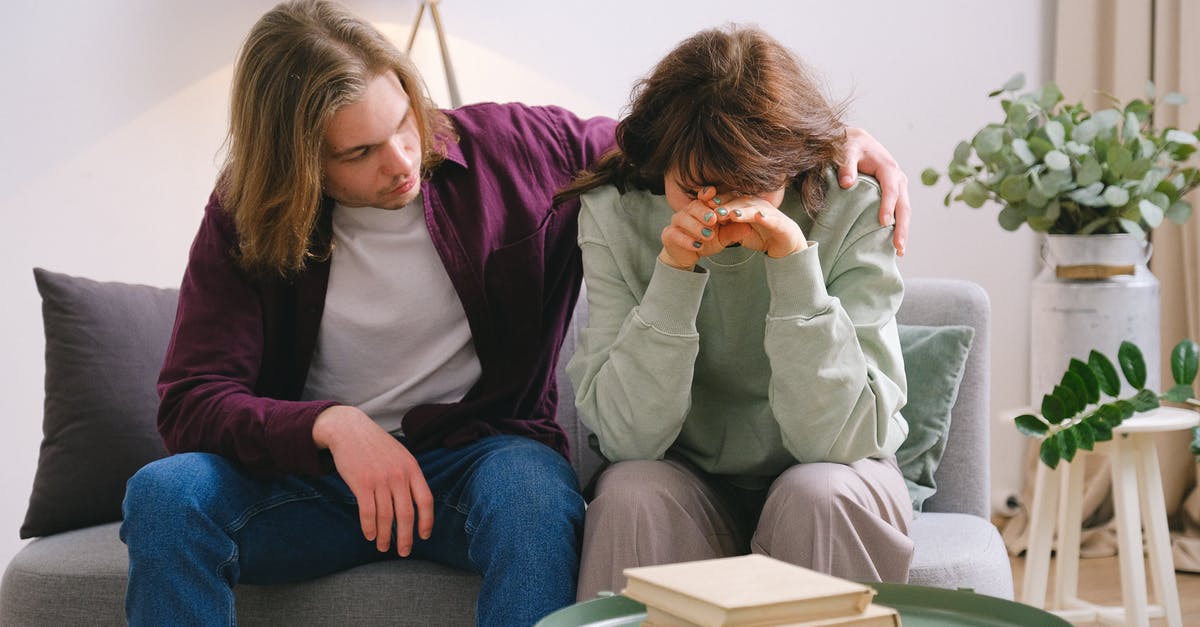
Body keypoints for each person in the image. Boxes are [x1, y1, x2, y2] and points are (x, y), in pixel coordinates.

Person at [118, 2, 913, 625]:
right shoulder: (248, 216)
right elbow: (190, 400)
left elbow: (682, 142)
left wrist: (822, 140)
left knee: (534, 494)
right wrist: (330, 426)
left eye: (403, 124)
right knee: (165, 494)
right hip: (318, 480)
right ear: (296, 160)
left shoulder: (518, 149)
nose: (401, 162)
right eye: (357, 153)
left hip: (477, 464)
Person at [559, 25, 914, 601]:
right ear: (661, 162)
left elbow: (843, 441)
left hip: (838, 471)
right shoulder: (613, 210)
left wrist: (794, 267)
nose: (721, 209)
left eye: (751, 187)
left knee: (819, 494)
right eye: (695, 188)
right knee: (631, 493)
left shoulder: (854, 203)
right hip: (686, 477)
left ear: (789, 165)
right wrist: (673, 275)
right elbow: (627, 438)